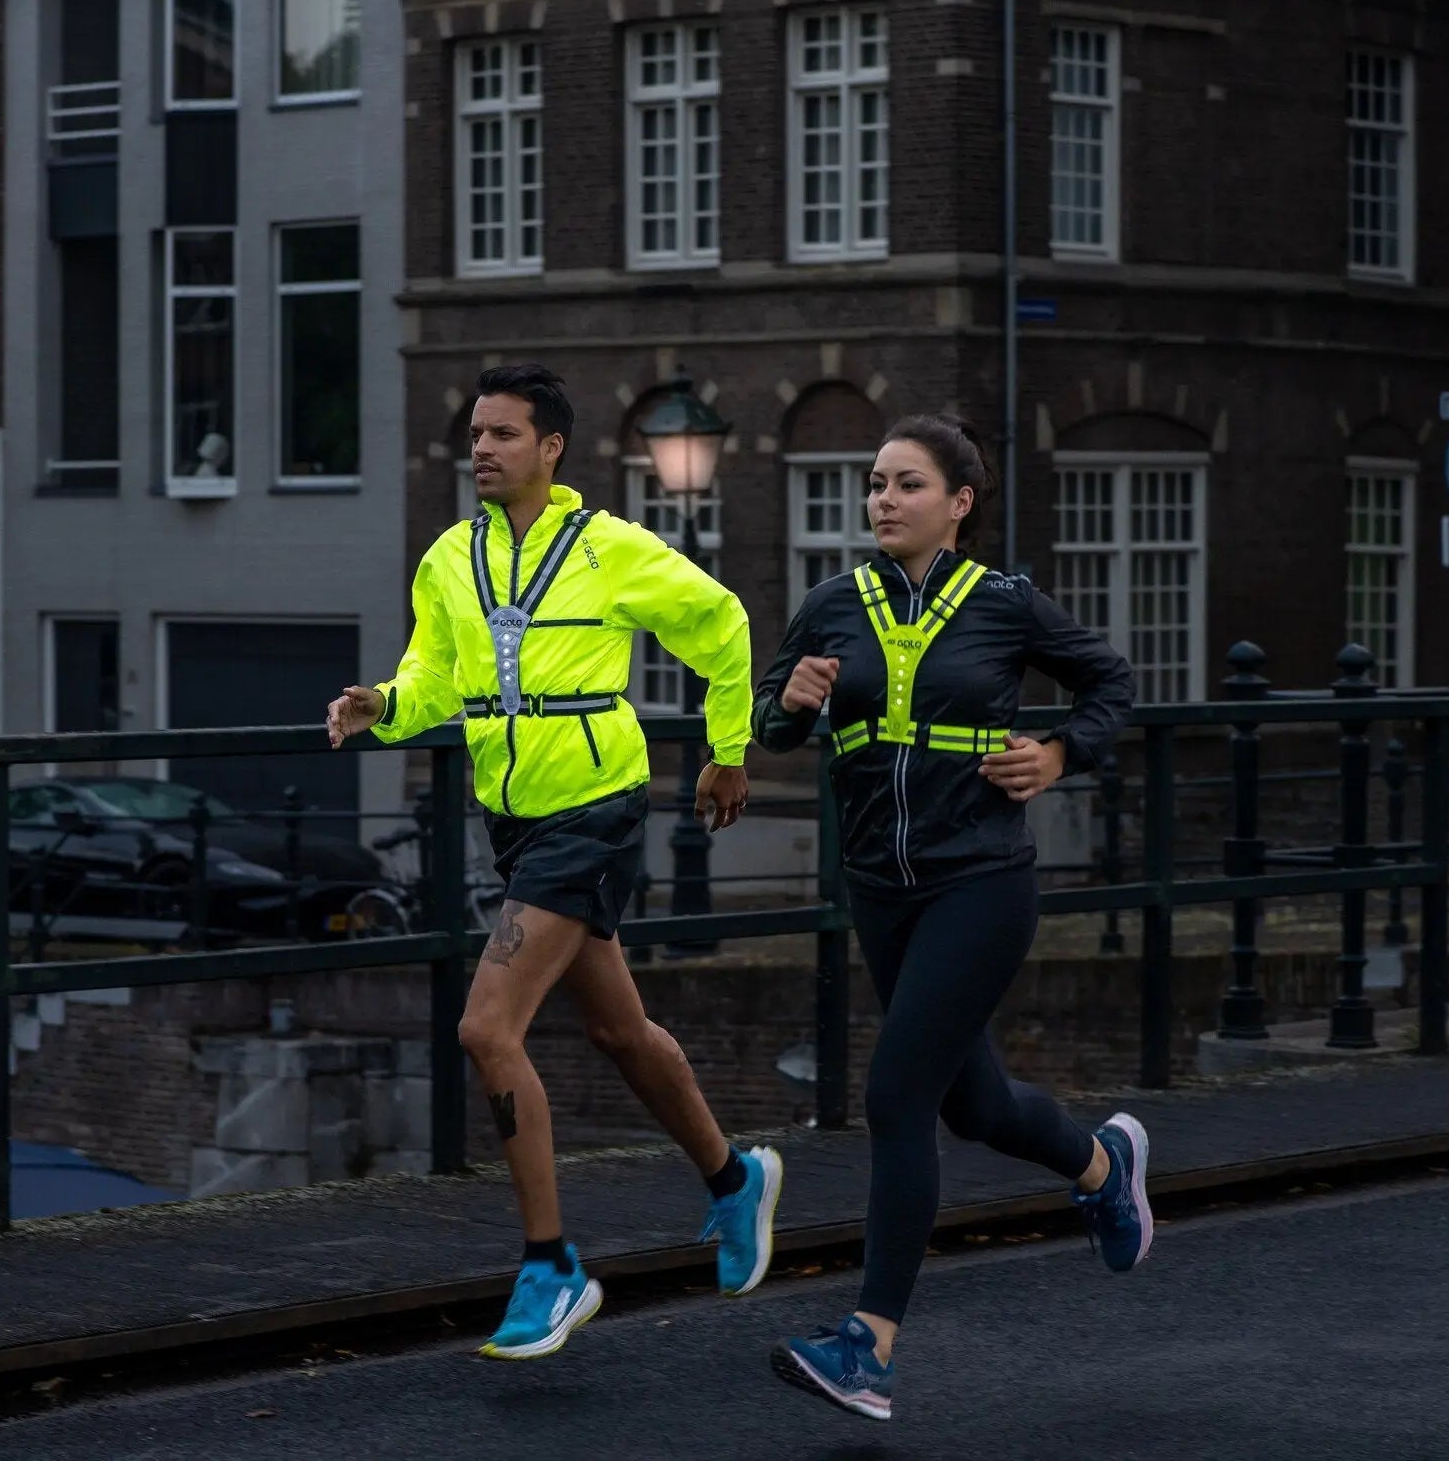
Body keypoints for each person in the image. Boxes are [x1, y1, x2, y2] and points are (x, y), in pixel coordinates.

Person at [326, 363, 782, 1360]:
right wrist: (385, 706)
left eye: (500, 434)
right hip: (515, 817)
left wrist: (726, 747)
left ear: (549, 448)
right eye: (473, 436)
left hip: (596, 803)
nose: (480, 450)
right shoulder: (447, 557)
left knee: (486, 1025)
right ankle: (732, 1178)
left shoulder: (610, 548)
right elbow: (437, 676)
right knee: (618, 1030)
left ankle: (551, 1263)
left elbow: (723, 624)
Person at [753, 414, 1148, 1421]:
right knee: (970, 1105)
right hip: (878, 889)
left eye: (905, 484)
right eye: (875, 483)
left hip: (979, 880)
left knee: (895, 1091)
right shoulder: (831, 603)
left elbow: (1110, 680)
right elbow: (769, 725)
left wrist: (1060, 754)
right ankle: (1103, 1165)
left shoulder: (1004, 605)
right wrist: (791, 701)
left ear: (958, 503)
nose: (881, 499)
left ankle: (868, 1347)